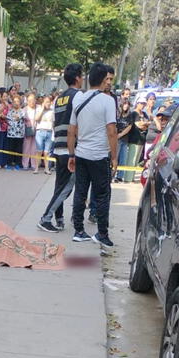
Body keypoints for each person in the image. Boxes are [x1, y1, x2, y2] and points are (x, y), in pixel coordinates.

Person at [67, 62, 118, 247]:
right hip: (99, 155)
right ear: (104, 80)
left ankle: (79, 231)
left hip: (81, 154)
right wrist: (114, 157)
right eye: (108, 79)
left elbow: (71, 130)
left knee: (80, 192)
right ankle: (102, 234)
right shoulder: (108, 100)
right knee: (103, 195)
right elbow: (111, 131)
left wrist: (71, 154)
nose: (109, 83)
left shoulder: (79, 99)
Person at [37, 63, 83, 232]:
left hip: (58, 146)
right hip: (70, 148)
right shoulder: (78, 96)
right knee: (66, 187)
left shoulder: (59, 98)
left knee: (60, 185)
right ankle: (46, 218)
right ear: (78, 78)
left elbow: (57, 122)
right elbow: (78, 124)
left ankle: (59, 218)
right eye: (82, 76)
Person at [34, 95, 55, 174]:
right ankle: (36, 168)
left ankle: (47, 168)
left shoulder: (52, 110)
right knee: (39, 151)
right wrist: (42, 109)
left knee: (47, 152)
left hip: (49, 131)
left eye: (49, 102)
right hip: (40, 131)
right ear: (43, 102)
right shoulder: (39, 109)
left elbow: (53, 122)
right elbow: (36, 119)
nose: (48, 103)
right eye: (46, 102)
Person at [114, 100, 133, 182]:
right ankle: (111, 174)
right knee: (115, 158)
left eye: (127, 104)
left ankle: (120, 176)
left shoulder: (130, 116)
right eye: (124, 104)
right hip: (115, 140)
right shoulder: (117, 115)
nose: (126, 106)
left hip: (124, 139)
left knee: (123, 159)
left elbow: (129, 127)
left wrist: (120, 135)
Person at [6, 96, 26, 170]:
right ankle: (10, 163)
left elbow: (20, 117)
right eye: (15, 102)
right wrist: (15, 118)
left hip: (19, 134)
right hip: (11, 133)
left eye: (18, 101)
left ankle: (18, 163)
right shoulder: (10, 111)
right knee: (10, 149)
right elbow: (8, 120)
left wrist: (16, 117)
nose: (16, 103)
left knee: (19, 149)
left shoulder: (22, 111)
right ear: (12, 103)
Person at [22, 94, 39, 171]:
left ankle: (34, 164)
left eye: (33, 100)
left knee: (34, 148)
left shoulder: (38, 107)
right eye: (29, 100)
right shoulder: (24, 109)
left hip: (37, 129)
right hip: (27, 130)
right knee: (26, 147)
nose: (31, 102)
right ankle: (25, 164)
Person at [0, 88, 10, 168]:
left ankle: (4, 163)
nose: (5, 98)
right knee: (0, 146)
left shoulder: (9, 106)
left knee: (5, 146)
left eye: (6, 96)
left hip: (7, 128)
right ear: (0, 97)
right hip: (0, 128)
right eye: (4, 96)